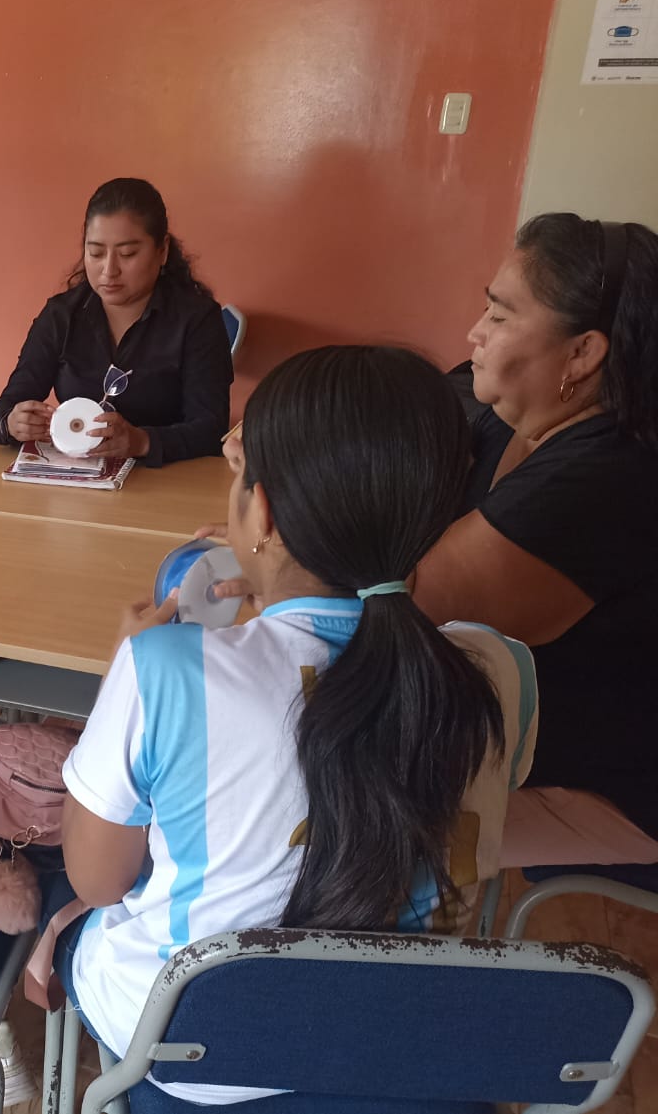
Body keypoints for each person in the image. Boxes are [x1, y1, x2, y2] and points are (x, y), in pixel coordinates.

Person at [60, 346, 534, 1105]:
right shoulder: (495, 670)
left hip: (200, 1054)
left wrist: (127, 666)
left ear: (264, 513)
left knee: (70, 917)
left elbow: (98, 879)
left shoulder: (164, 667)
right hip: (395, 1046)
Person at [414, 214, 658, 867]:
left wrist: (279, 528)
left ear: (582, 353)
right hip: (516, 730)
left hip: (611, 786)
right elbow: (438, 389)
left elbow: (410, 605)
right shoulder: (521, 418)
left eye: (499, 315)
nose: (476, 332)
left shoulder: (609, 471)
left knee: (316, 811)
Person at [0, 178, 233, 466]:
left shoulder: (197, 320)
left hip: (168, 478)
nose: (109, 270)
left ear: (162, 250)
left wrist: (141, 441)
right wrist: (13, 422)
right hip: (79, 478)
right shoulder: (62, 315)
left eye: (127, 254)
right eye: (95, 252)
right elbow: (5, 407)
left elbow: (211, 429)